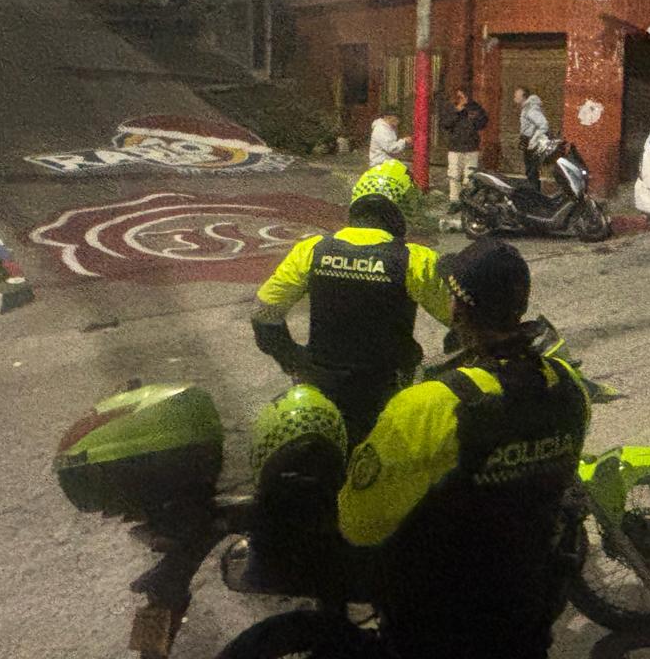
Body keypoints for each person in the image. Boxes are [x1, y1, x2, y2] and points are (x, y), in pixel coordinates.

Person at [339, 238, 590, 659]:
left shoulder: (429, 406)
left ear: (457, 310)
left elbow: (360, 524)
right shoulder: (568, 386)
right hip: (525, 614)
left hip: (436, 622)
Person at [250, 160, 451, 445]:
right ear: (404, 210)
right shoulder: (416, 260)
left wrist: (293, 360)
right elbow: (460, 319)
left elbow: (263, 313)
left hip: (321, 386)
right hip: (389, 391)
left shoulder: (312, 250)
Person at [438, 86, 488, 211]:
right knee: (454, 175)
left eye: (464, 96)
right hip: (455, 147)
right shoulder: (450, 107)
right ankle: (454, 201)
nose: (463, 99)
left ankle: (467, 201)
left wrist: (474, 117)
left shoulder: (475, 107)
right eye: (460, 96)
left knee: (470, 176)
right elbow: (445, 124)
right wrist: (457, 111)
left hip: (471, 147)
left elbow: (483, 123)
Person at [514, 86, 550, 192]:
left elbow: (544, 125)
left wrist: (533, 140)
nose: (514, 97)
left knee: (532, 171)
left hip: (532, 143)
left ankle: (535, 195)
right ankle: (534, 193)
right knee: (531, 170)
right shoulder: (527, 108)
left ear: (524, 96)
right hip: (529, 141)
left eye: (517, 95)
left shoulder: (530, 109)